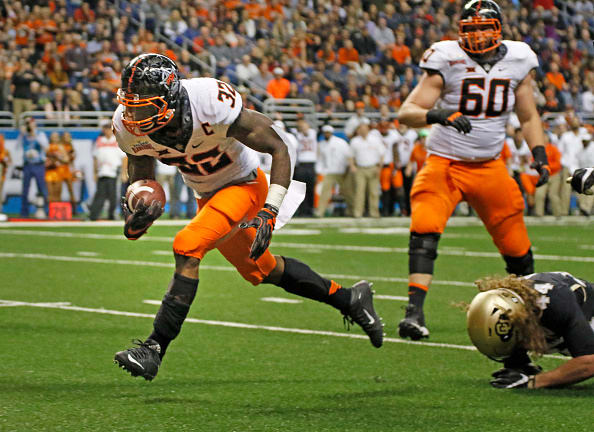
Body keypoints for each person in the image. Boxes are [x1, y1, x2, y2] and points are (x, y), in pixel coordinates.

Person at [111, 54, 384, 381]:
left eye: (144, 107)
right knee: (262, 270)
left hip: (245, 185)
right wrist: (139, 210)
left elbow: (279, 147)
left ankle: (154, 349)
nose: (134, 116)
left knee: (188, 246)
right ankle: (350, 298)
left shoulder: (208, 101)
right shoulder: (129, 128)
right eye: (130, 105)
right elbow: (142, 177)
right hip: (209, 196)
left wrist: (270, 209)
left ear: (169, 100)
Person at [396, 0, 550, 340]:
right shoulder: (446, 57)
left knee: (516, 245)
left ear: (498, 30)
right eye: (471, 29)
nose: (478, 35)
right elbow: (407, 112)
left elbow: (527, 115)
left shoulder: (519, 58)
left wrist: (539, 154)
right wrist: (440, 115)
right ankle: (414, 312)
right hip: (445, 162)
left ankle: (533, 311)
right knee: (424, 227)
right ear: (461, 32)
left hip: (489, 166)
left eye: (484, 28)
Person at [467, 272, 594, 389]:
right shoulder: (508, 302)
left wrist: (535, 382)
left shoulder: (555, 305)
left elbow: (589, 362)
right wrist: (518, 365)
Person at [315, 125, 353, 218]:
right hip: (329, 172)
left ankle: (352, 210)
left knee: (347, 192)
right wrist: (320, 171)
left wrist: (347, 168)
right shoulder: (322, 144)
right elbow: (320, 159)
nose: (327, 134)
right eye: (325, 132)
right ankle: (320, 212)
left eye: (328, 132)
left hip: (341, 171)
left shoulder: (341, 142)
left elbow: (348, 155)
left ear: (331, 133)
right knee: (325, 192)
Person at [89, 124, 124, 220]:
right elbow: (95, 157)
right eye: (106, 129)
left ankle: (112, 215)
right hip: (102, 171)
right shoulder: (99, 141)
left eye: (109, 129)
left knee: (113, 195)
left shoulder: (117, 140)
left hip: (114, 171)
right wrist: (95, 172)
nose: (107, 131)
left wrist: (124, 172)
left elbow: (123, 157)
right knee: (100, 194)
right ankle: (93, 216)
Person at [18, 117, 49, 217]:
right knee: (25, 189)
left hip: (38, 165)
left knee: (42, 188)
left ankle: (46, 210)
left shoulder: (40, 134)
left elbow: (46, 147)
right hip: (27, 165)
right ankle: (24, 212)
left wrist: (34, 134)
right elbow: (17, 147)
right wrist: (21, 134)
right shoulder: (24, 136)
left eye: (30, 123)